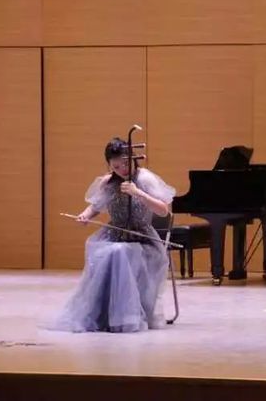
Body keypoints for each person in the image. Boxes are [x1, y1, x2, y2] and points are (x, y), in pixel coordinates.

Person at [49, 137, 176, 333]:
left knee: (118, 253)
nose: (122, 170)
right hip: (114, 235)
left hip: (142, 239)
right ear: (109, 165)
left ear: (133, 158)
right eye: (116, 167)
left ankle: (126, 317)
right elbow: (95, 206)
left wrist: (138, 193)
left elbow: (163, 210)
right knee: (107, 252)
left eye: (125, 164)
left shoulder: (144, 179)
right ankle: (102, 314)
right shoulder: (108, 182)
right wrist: (85, 215)